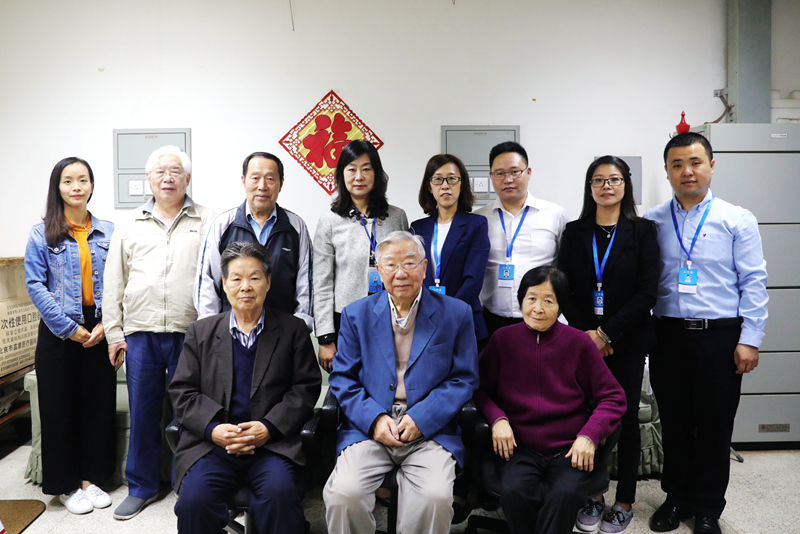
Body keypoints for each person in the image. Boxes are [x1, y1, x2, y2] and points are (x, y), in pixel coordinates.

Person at [643, 133, 768, 534]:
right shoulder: (652, 221)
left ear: (711, 166)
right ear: (667, 171)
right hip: (668, 336)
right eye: (677, 164)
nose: (687, 171)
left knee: (715, 426)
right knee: (674, 422)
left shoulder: (737, 218)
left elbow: (753, 282)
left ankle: (709, 508)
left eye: (695, 162)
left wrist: (750, 338)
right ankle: (676, 498)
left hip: (720, 337)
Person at [323, 231, 479, 534]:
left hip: (431, 430)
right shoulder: (356, 314)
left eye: (409, 263)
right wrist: (374, 419)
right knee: (344, 494)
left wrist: (422, 417)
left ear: (424, 267)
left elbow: (464, 378)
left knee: (435, 498)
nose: (400, 273)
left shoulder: (456, 313)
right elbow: (342, 378)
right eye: (391, 265)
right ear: (379, 271)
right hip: (369, 429)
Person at [170, 242, 321, 534]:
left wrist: (268, 427)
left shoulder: (293, 330)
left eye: (254, 277)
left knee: (279, 495)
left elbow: (305, 388)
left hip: (272, 447)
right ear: (224, 283)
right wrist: (213, 429)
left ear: (268, 282)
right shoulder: (201, 332)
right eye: (236, 278)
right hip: (213, 446)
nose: (245, 287)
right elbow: (183, 391)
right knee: (194, 502)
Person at [103, 145, 216, 520]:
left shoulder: (208, 219)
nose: (168, 178)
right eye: (160, 172)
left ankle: (190, 482)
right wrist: (114, 333)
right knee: (144, 412)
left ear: (188, 179)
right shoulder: (129, 223)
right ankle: (142, 486)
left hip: (191, 333)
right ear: (149, 179)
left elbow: (218, 277)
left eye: (175, 171)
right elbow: (113, 281)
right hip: (140, 332)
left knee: (192, 413)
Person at [474, 266, 626, 534]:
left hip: (569, 447)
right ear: (521, 300)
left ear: (560, 306)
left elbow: (613, 397)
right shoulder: (502, 340)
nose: (538, 308)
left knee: (564, 493)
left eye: (548, 301)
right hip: (518, 447)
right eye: (531, 298)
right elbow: (478, 389)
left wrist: (589, 436)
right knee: (514, 491)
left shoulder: (579, 344)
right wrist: (497, 419)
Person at [557, 156, 660, 534]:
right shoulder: (575, 232)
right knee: (587, 415)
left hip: (627, 341)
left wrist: (606, 334)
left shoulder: (643, 231)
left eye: (614, 179)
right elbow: (564, 288)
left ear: (625, 185)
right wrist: (589, 335)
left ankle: (625, 501)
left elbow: (647, 291)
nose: (606, 186)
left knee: (627, 418)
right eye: (598, 180)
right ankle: (594, 494)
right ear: (590, 187)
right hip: (583, 341)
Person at [24, 157, 116, 515]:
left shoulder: (108, 231)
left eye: (83, 179)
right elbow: (35, 284)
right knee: (59, 407)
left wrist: (107, 324)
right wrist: (68, 327)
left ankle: (92, 480)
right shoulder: (41, 233)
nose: (76, 186)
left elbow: (120, 281)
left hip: (99, 327)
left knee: (98, 405)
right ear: (57, 187)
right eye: (68, 180)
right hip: (58, 331)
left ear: (92, 185)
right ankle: (65, 485)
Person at [313, 140, 408, 372]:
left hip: (391, 317)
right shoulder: (330, 221)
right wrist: (325, 337)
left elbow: (406, 270)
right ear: (342, 175)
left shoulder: (396, 217)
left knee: (390, 378)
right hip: (346, 319)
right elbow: (322, 282)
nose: (359, 176)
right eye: (352, 169)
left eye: (366, 169)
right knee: (349, 381)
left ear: (377, 174)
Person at [195, 151, 312, 330]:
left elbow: (306, 283)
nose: (262, 186)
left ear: (281, 184)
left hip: (283, 331)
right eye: (255, 178)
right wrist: (211, 328)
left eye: (270, 179)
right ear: (243, 181)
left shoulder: (296, 226)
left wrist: (300, 327)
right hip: (231, 330)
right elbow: (207, 280)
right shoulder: (223, 224)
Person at [476, 141, 570, 338]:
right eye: (500, 173)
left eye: (514, 172)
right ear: (491, 176)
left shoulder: (555, 214)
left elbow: (568, 267)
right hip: (492, 320)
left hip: (543, 319)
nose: (508, 179)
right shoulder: (479, 219)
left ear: (528, 172)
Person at [410, 154, 490, 347]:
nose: (445, 186)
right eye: (438, 179)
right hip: (424, 321)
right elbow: (413, 274)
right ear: (429, 187)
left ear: (461, 185)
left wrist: (448, 316)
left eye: (452, 179)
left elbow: (473, 280)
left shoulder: (476, 224)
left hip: (463, 319)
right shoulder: (417, 228)